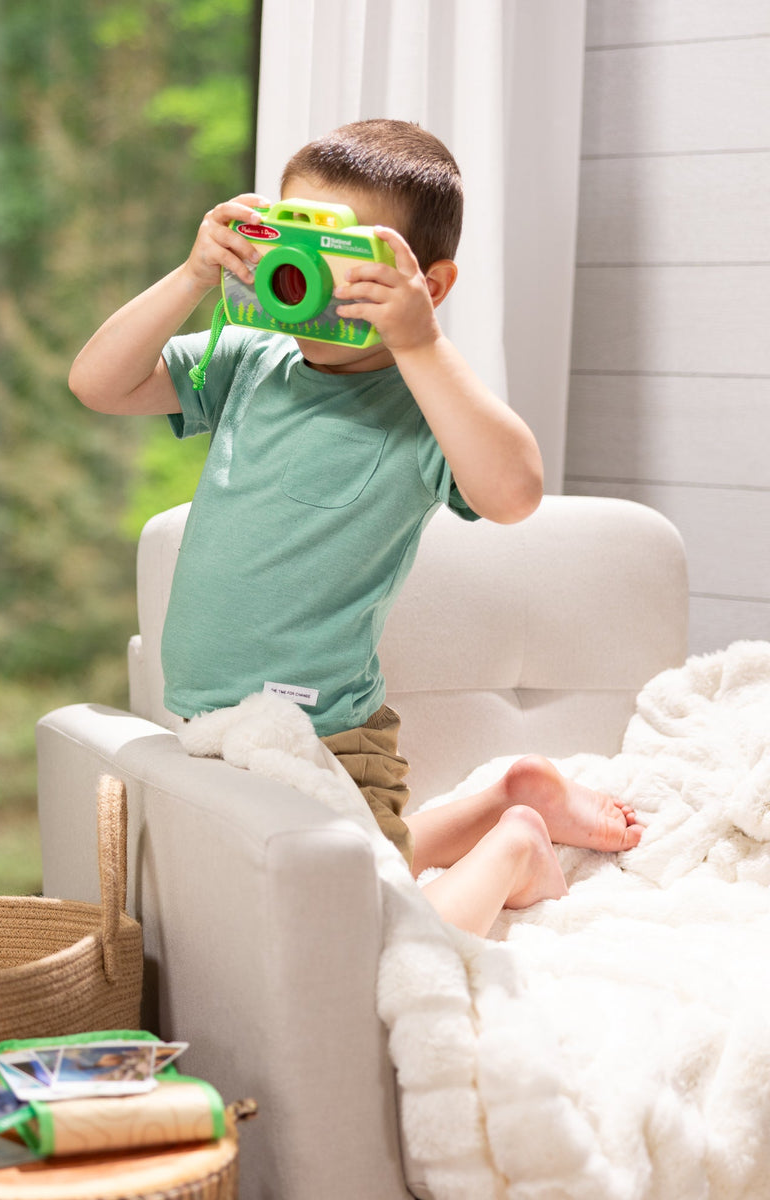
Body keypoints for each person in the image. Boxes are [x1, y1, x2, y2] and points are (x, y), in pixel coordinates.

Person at [69, 118, 640, 937]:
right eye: (293, 241)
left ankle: (515, 842)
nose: (305, 280)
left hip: (327, 739)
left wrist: (420, 341)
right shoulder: (248, 361)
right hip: (214, 731)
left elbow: (515, 493)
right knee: (321, 891)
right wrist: (195, 272)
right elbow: (97, 382)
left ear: (427, 285)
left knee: (358, 938)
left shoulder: (419, 404)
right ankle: (512, 795)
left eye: (343, 264)